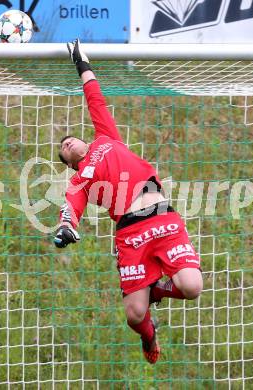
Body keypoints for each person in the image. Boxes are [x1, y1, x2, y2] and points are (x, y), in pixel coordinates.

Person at [54, 39, 203, 364]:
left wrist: (83, 64)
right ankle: (149, 334)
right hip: (131, 234)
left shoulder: (106, 138)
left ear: (83, 138)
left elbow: (96, 101)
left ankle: (157, 291)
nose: (67, 143)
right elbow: (71, 207)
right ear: (69, 163)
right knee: (135, 315)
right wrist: (66, 227)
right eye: (63, 149)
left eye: (70, 139)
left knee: (192, 286)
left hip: (161, 217)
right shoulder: (80, 180)